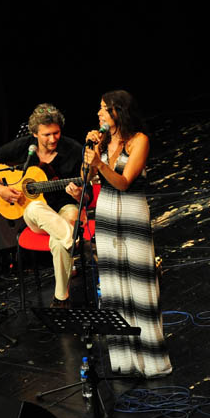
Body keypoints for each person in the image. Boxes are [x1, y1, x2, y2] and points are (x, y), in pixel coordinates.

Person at [85, 90, 171, 378]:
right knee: (114, 286)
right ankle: (126, 359)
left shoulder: (139, 141)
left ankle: (153, 361)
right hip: (107, 212)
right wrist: (90, 161)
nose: (98, 114)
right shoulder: (104, 141)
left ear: (118, 112)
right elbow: (90, 178)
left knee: (139, 284)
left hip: (132, 212)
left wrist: (100, 164)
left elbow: (123, 182)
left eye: (103, 109)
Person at [0, 103, 84, 307]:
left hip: (65, 209)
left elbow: (86, 196)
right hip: (37, 216)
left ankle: (61, 300)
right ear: (34, 133)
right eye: (46, 135)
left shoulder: (73, 150)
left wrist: (79, 196)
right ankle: (73, 240)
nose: (53, 139)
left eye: (56, 133)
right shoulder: (24, 146)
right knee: (34, 208)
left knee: (58, 241)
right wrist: (0, 189)